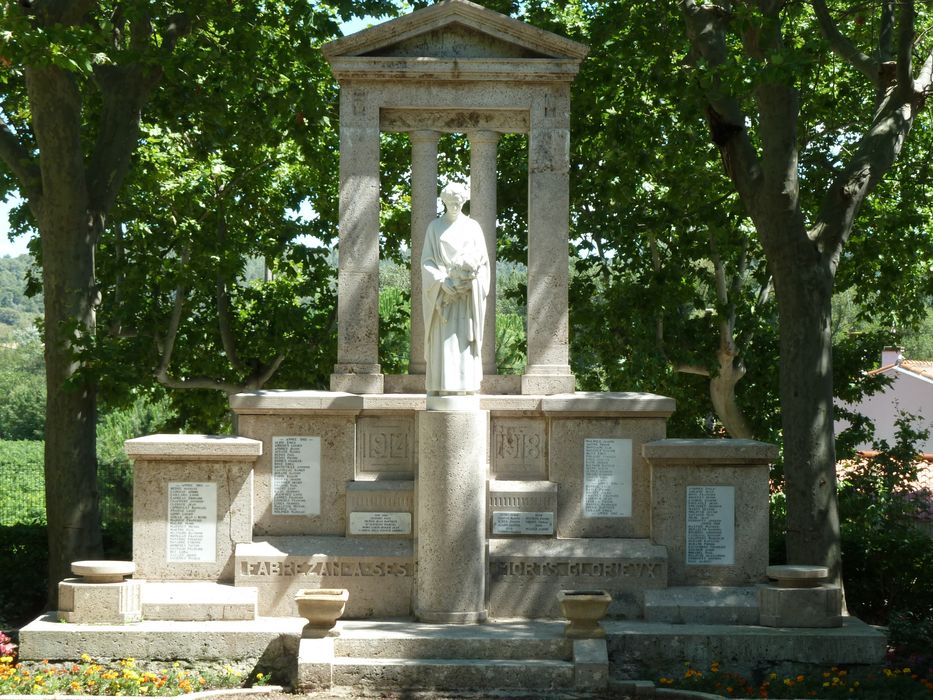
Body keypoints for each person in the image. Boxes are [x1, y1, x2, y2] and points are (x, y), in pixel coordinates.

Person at [421, 182, 490, 395]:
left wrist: (469, 282)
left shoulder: (473, 227)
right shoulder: (434, 227)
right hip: (443, 293)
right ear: (443, 202)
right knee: (443, 342)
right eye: (450, 202)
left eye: (458, 202)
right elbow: (427, 261)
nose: (454, 206)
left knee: (464, 342)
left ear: (464, 201)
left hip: (467, 298)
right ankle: (441, 386)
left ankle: (466, 387)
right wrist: (442, 281)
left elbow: (483, 263)